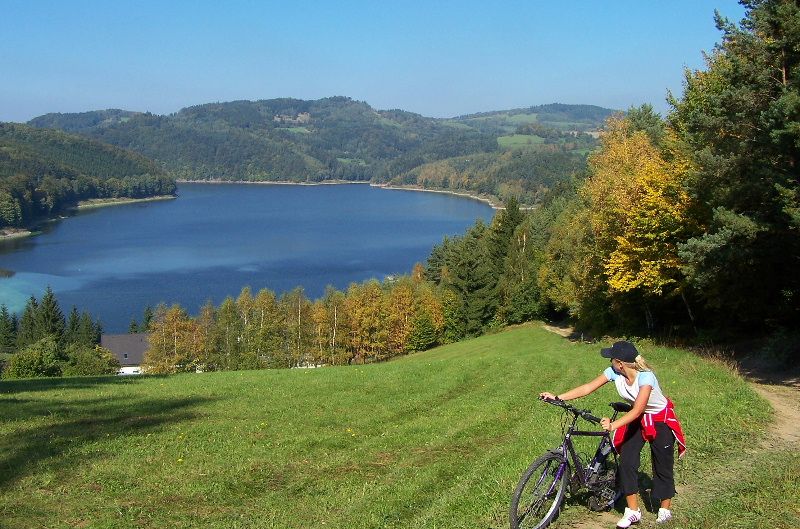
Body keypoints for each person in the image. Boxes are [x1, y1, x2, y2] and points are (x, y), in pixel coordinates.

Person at [540, 340, 686, 528]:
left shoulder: (646, 377)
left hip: (659, 420)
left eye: (611, 359)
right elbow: (587, 388)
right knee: (627, 461)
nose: (609, 363)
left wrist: (613, 425)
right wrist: (558, 396)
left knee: (662, 463)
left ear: (620, 362)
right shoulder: (614, 373)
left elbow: (638, 409)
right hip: (638, 419)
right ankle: (633, 511)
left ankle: (665, 508)